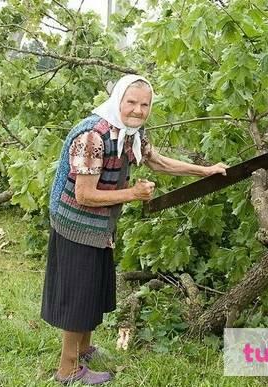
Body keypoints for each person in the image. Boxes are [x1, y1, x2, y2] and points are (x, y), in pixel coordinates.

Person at [41, 74, 227, 385]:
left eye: (145, 104)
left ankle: (83, 350)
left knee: (92, 289)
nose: (138, 110)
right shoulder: (93, 137)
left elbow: (158, 162)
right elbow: (84, 195)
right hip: (75, 223)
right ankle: (68, 370)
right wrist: (133, 194)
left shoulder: (130, 134)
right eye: (131, 102)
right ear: (118, 101)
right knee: (78, 294)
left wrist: (204, 171)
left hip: (100, 223)